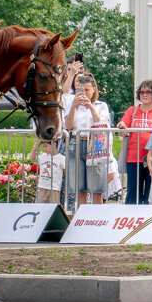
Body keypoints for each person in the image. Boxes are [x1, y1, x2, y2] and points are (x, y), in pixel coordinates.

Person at [62, 73, 111, 207]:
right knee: (79, 188)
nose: (84, 93)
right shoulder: (72, 105)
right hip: (75, 144)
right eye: (80, 90)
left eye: (87, 90)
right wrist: (73, 106)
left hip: (95, 145)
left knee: (96, 189)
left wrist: (90, 106)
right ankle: (81, 219)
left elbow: (100, 122)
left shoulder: (101, 105)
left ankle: (97, 219)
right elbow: (68, 126)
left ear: (94, 89)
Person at [117, 80, 152, 204]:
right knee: (132, 193)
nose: (145, 94)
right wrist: (121, 126)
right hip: (133, 158)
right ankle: (130, 220)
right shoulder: (132, 111)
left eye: (148, 91)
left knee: (150, 193)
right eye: (142, 92)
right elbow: (122, 130)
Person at [30, 138, 65, 205]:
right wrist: (35, 148)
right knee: (41, 207)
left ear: (54, 145)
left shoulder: (61, 158)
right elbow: (32, 159)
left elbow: (66, 171)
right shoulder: (43, 156)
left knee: (53, 207)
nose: (44, 149)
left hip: (54, 188)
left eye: (46, 146)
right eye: (43, 146)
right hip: (42, 187)